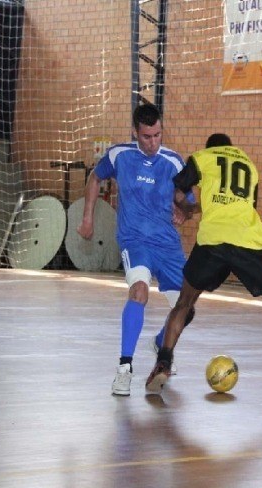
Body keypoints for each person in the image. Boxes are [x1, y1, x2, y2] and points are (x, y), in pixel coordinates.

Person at [145, 133, 262, 393]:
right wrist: (196, 209)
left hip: (213, 240)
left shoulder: (202, 158)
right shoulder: (249, 163)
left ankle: (163, 364)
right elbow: (243, 205)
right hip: (247, 241)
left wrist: (183, 208)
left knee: (184, 302)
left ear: (210, 148)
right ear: (230, 148)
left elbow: (178, 190)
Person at [78, 103, 195, 396]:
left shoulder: (174, 161)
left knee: (187, 306)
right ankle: (124, 368)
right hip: (135, 241)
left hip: (167, 244)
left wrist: (185, 213)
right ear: (135, 132)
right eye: (146, 137)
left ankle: (160, 343)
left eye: (157, 135)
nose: (153, 142)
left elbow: (189, 202)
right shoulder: (120, 155)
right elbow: (95, 177)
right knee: (139, 292)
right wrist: (88, 216)